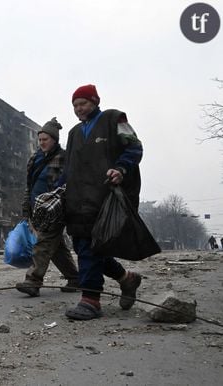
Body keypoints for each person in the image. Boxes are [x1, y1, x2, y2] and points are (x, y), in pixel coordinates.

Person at [62, 84, 144, 320]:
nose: (78, 109)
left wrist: (121, 168)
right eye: (75, 105)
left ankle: (91, 300)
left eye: (83, 103)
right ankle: (127, 279)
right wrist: (57, 190)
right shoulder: (74, 132)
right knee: (85, 247)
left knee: (89, 247)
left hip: (104, 196)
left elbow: (135, 147)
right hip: (77, 199)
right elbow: (69, 167)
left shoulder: (114, 119)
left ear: (95, 101)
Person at [15, 118, 79, 297]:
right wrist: (27, 209)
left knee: (43, 243)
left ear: (54, 140)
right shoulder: (34, 159)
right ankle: (75, 278)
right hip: (38, 208)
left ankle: (33, 281)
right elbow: (30, 186)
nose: (42, 142)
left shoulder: (64, 157)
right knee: (57, 248)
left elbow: (69, 182)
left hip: (56, 208)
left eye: (46, 139)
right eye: (40, 139)